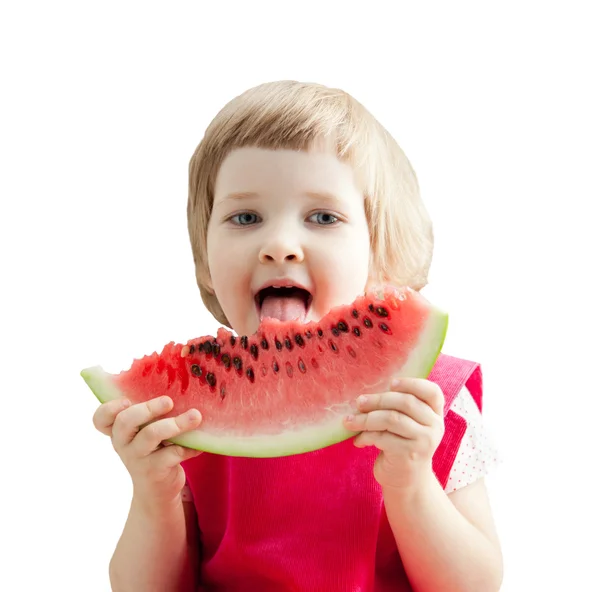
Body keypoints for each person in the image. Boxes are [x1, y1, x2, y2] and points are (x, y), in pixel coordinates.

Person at [92, 80, 503, 591]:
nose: (280, 245)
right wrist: (153, 491)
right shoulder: (185, 415)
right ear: (204, 254)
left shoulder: (434, 398)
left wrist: (413, 485)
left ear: (378, 245)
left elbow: (476, 585)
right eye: (246, 217)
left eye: (323, 217)